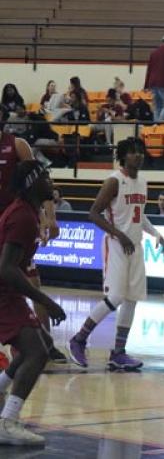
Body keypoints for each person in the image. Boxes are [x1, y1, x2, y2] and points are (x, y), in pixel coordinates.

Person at [68, 138, 164, 369]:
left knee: (132, 300)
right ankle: (78, 340)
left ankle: (118, 353)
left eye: (141, 151)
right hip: (115, 245)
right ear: (123, 156)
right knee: (115, 298)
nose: (138, 155)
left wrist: (156, 234)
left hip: (135, 246)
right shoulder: (114, 181)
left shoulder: (142, 182)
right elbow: (93, 214)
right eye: (133, 152)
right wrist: (118, 235)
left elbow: (139, 215)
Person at [0, 160, 66, 446]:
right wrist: (45, 300)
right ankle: (8, 421)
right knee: (37, 352)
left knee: (36, 346)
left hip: (8, 292)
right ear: (32, 183)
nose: (51, 183)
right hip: (3, 291)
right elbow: (6, 268)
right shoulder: (23, 217)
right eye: (46, 177)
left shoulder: (28, 212)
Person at [0, 123, 64, 364]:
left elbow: (39, 177)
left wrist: (49, 217)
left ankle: (46, 343)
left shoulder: (16, 144)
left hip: (15, 222)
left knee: (32, 281)